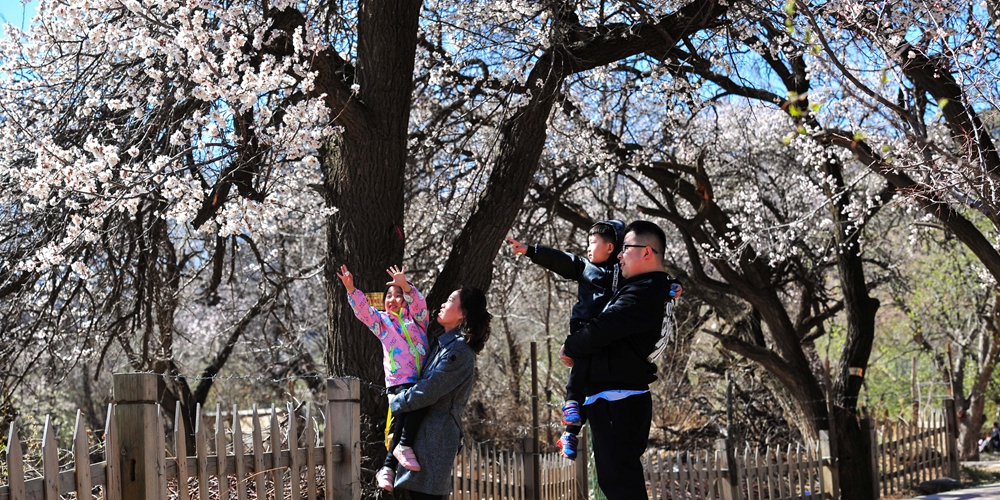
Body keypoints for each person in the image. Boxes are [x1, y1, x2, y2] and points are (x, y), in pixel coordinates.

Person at [507, 221, 682, 460]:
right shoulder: (586, 267)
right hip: (586, 329)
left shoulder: (625, 270)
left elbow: (653, 277)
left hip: (605, 339)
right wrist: (531, 250)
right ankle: (570, 422)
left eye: (593, 243)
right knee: (581, 372)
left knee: (590, 373)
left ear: (611, 248)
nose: (587, 248)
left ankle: (571, 425)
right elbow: (563, 261)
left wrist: (673, 284)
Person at [561, 220, 679, 500]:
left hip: (619, 400)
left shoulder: (645, 290)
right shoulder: (654, 287)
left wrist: (571, 346)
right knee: (617, 482)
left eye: (626, 248)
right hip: (619, 398)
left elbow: (604, 326)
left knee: (620, 486)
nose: (619, 255)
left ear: (647, 252)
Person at [390, 286, 492, 500]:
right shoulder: (442, 344)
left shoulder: (459, 352)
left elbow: (429, 391)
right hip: (423, 437)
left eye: (450, 300)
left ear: (463, 314)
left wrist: (396, 401)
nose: (443, 304)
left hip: (434, 440)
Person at [336, 264, 429, 491]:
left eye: (399, 296)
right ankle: (401, 451)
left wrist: (405, 285)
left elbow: (420, 305)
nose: (393, 299)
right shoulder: (383, 323)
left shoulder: (418, 321)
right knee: (401, 423)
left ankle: (388, 468)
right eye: (389, 296)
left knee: (404, 423)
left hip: (420, 379)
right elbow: (365, 313)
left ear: (406, 301)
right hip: (398, 382)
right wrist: (351, 290)